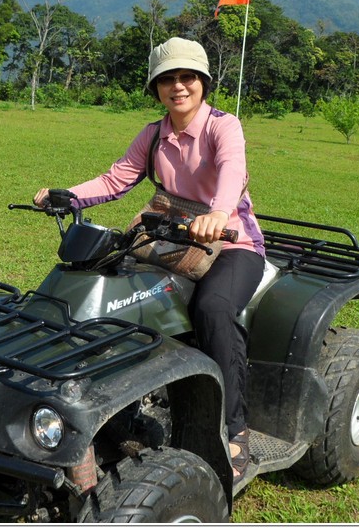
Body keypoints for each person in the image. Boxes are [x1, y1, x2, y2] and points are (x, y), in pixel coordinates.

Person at [34, 37, 265, 483]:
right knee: (116, 292)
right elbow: (116, 178)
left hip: (232, 244)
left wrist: (218, 213)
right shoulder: (154, 134)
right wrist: (65, 194)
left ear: (203, 82)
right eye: (167, 79)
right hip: (168, 237)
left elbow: (233, 169)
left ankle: (235, 430)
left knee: (213, 309)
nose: (178, 86)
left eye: (187, 77)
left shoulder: (223, 126)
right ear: (157, 87)